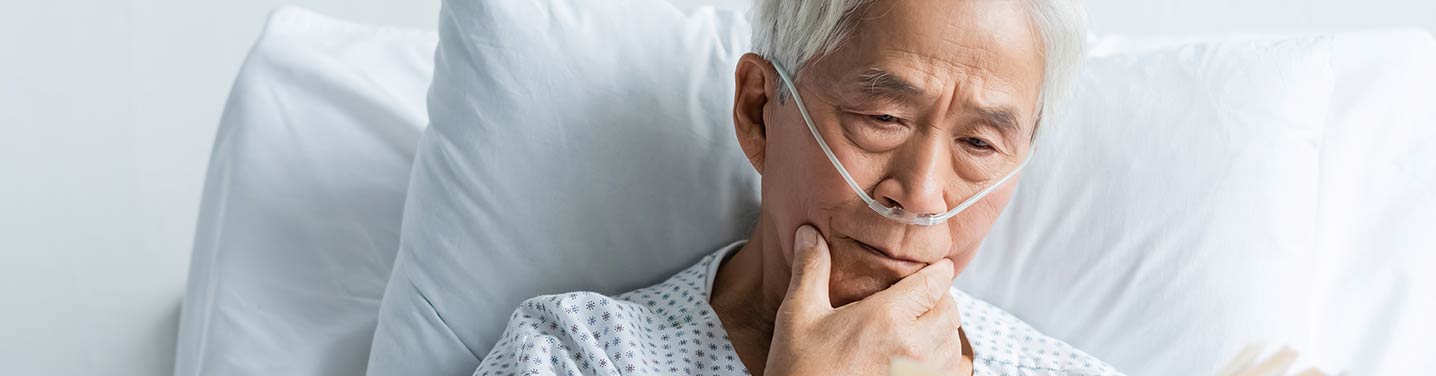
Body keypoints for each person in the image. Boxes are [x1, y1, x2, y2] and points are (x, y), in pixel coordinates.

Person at [473, 0, 1120, 375]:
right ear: (760, 111)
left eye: (978, 144)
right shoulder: (575, 355)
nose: (920, 194)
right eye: (883, 119)